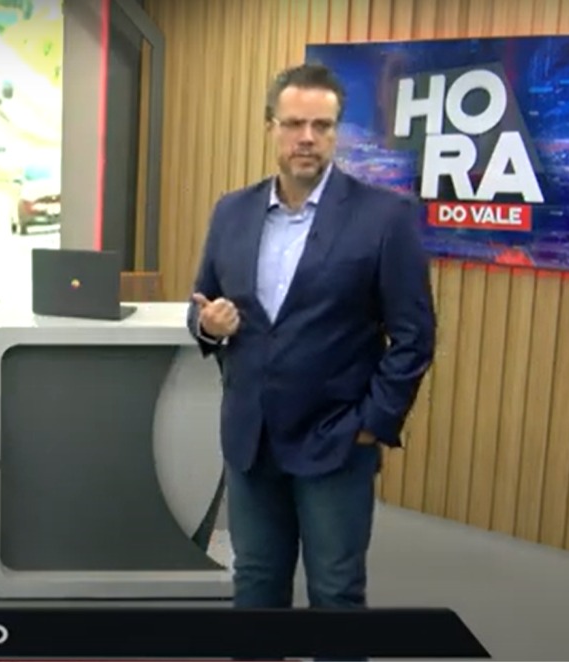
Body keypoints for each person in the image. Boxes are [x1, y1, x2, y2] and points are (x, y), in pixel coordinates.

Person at [187, 63, 435, 610]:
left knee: (336, 591)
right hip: (251, 439)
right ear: (270, 127)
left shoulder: (384, 218)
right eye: (294, 124)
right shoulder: (232, 212)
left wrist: (371, 424)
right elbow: (202, 303)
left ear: (336, 132)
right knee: (255, 581)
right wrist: (208, 325)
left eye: (321, 126)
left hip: (336, 442)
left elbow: (415, 336)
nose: (307, 138)